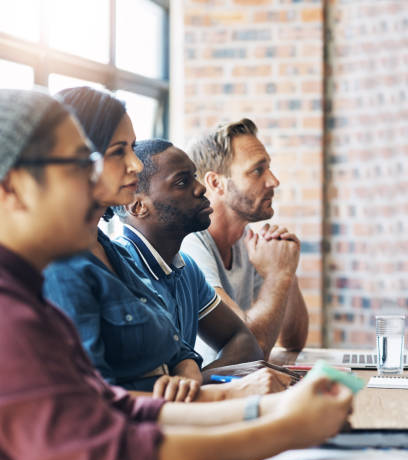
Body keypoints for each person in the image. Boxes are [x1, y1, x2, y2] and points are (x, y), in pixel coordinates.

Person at [0, 88, 353, 460]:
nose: (101, 181)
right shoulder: (15, 317)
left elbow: (116, 407)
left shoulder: (38, 299)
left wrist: (269, 407)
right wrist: (282, 428)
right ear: (14, 188)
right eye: (83, 164)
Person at [44, 88, 289, 399]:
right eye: (120, 151)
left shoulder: (117, 256)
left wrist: (189, 372)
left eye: (132, 148)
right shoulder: (65, 265)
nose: (134, 164)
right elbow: (95, 401)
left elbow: (177, 352)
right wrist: (224, 396)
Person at [113, 138, 282, 377]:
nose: (201, 188)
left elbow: (245, 342)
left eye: (194, 176)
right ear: (138, 206)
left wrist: (195, 383)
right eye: (182, 182)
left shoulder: (185, 269)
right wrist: (194, 387)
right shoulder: (120, 270)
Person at [182, 118, 309, 365]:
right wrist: (278, 275)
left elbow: (293, 340)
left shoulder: (247, 242)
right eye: (257, 170)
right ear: (216, 183)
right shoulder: (190, 245)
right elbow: (252, 348)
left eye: (269, 168)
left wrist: (286, 272)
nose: (274, 181)